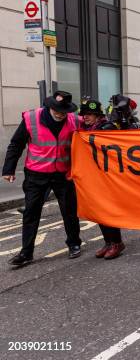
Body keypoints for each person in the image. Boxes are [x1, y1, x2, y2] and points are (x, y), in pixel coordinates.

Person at [2, 91, 82, 266]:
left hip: (63, 173)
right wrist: (9, 169)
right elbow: (16, 144)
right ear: (49, 106)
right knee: (31, 212)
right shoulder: (31, 119)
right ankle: (26, 253)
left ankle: (74, 244)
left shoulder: (75, 121)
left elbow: (92, 135)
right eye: (57, 110)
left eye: (64, 111)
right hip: (36, 174)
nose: (61, 114)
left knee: (69, 211)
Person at [78, 99, 128, 259]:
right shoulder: (85, 129)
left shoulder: (108, 128)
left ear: (98, 115)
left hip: (107, 176)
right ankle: (108, 242)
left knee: (108, 210)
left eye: (89, 114)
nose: (85, 117)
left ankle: (117, 243)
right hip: (93, 176)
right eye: (84, 114)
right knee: (99, 211)